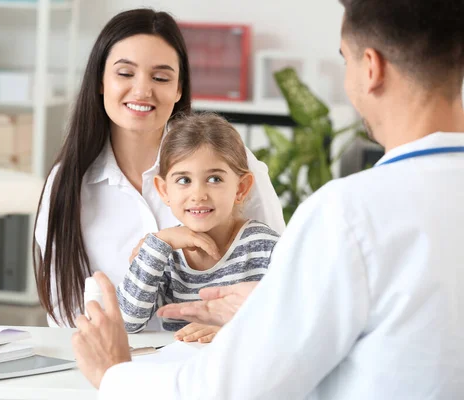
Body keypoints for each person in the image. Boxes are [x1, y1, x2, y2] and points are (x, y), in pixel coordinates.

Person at [71, 0, 464, 397]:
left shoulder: (347, 215)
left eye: (344, 61)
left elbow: (238, 388)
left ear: (371, 68)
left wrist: (112, 374)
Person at [34, 9, 285, 328]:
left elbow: (282, 284)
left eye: (161, 77)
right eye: (125, 73)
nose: (142, 91)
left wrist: (230, 327)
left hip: (209, 360)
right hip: (109, 367)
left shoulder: (232, 163)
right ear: (100, 81)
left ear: (179, 89)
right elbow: (64, 313)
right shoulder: (68, 181)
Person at [116, 114, 280, 343]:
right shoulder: (165, 253)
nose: (198, 195)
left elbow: (292, 318)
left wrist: (232, 332)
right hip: (179, 370)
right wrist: (158, 243)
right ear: (164, 191)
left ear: (241, 188)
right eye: (184, 180)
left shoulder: (266, 247)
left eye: (214, 179)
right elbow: (127, 322)